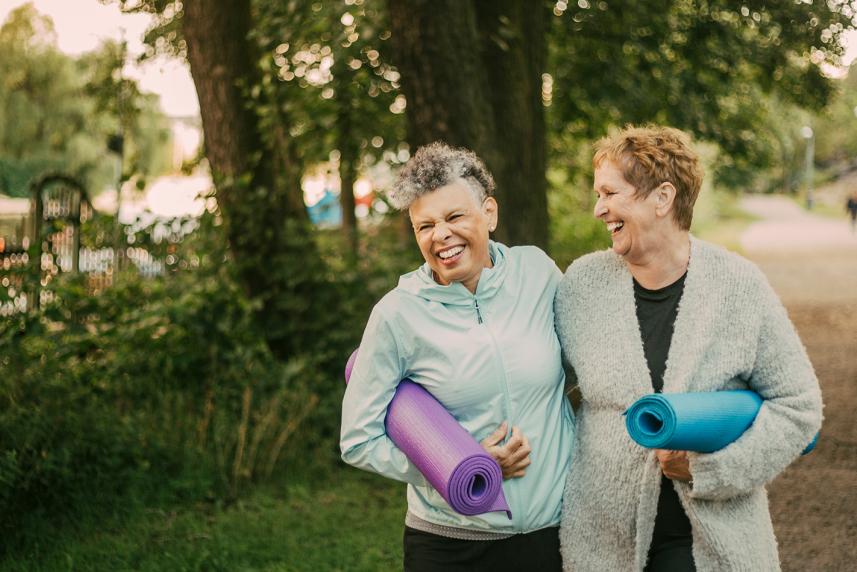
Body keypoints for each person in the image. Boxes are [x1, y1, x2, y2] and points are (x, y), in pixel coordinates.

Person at [554, 125, 822, 572]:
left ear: (662, 198)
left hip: (711, 544)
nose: (599, 209)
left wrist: (709, 470)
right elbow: (544, 386)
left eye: (610, 193)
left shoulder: (739, 286)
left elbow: (799, 407)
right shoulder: (581, 285)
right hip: (603, 545)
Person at [340, 142, 574, 571]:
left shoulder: (537, 273)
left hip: (553, 534)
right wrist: (455, 466)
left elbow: (584, 368)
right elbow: (358, 440)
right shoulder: (397, 315)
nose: (439, 235)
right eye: (423, 226)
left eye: (453, 217)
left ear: (489, 212)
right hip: (450, 545)